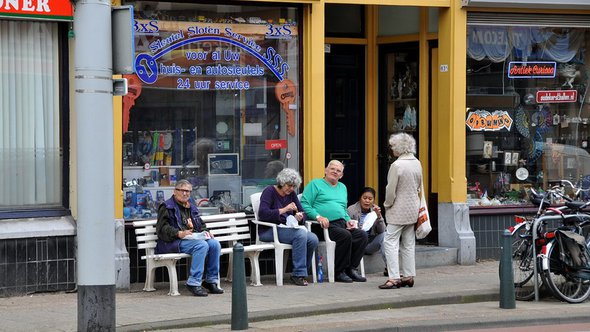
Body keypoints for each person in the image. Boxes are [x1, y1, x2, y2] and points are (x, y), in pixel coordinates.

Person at [301, 160, 368, 283]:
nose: (335, 172)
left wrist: (348, 220)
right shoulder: (315, 184)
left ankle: (351, 269)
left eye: (338, 171)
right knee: (345, 235)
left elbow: (342, 208)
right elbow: (304, 204)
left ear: (341, 175)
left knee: (361, 235)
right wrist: (318, 217)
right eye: (332, 169)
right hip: (322, 225)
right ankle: (339, 271)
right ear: (326, 170)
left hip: (341, 223)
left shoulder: (342, 187)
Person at [155, 179, 224, 297]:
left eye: (188, 191)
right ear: (175, 191)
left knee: (214, 244)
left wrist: (207, 232)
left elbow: (200, 225)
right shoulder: (167, 206)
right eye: (182, 191)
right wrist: (178, 233)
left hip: (191, 239)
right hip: (172, 242)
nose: (185, 194)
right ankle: (194, 282)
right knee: (201, 245)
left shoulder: (191, 207)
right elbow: (161, 229)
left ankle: (211, 281)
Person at [257, 168, 319, 286]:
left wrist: (299, 216)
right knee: (300, 235)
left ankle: (303, 270)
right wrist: (284, 210)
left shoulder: (291, 195)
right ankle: (298, 274)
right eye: (289, 185)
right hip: (269, 229)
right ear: (281, 182)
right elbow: (263, 213)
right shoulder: (269, 191)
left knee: (313, 239)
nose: (291, 189)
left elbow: (302, 211)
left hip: (287, 228)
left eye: (293, 186)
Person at [379, 133, 423, 289]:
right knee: (409, 243)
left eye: (392, 146)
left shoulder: (396, 165)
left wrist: (387, 204)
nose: (391, 149)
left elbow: (391, 190)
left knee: (390, 242)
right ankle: (409, 276)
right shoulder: (417, 163)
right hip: (413, 207)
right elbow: (418, 185)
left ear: (399, 148)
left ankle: (394, 277)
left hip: (398, 209)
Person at [347, 187, 386, 273]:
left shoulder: (375, 210)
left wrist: (379, 216)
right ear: (360, 198)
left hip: (370, 244)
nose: (367, 201)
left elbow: (382, 230)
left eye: (370, 199)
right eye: (364, 198)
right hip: (356, 244)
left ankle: (390, 268)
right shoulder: (351, 209)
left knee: (385, 236)